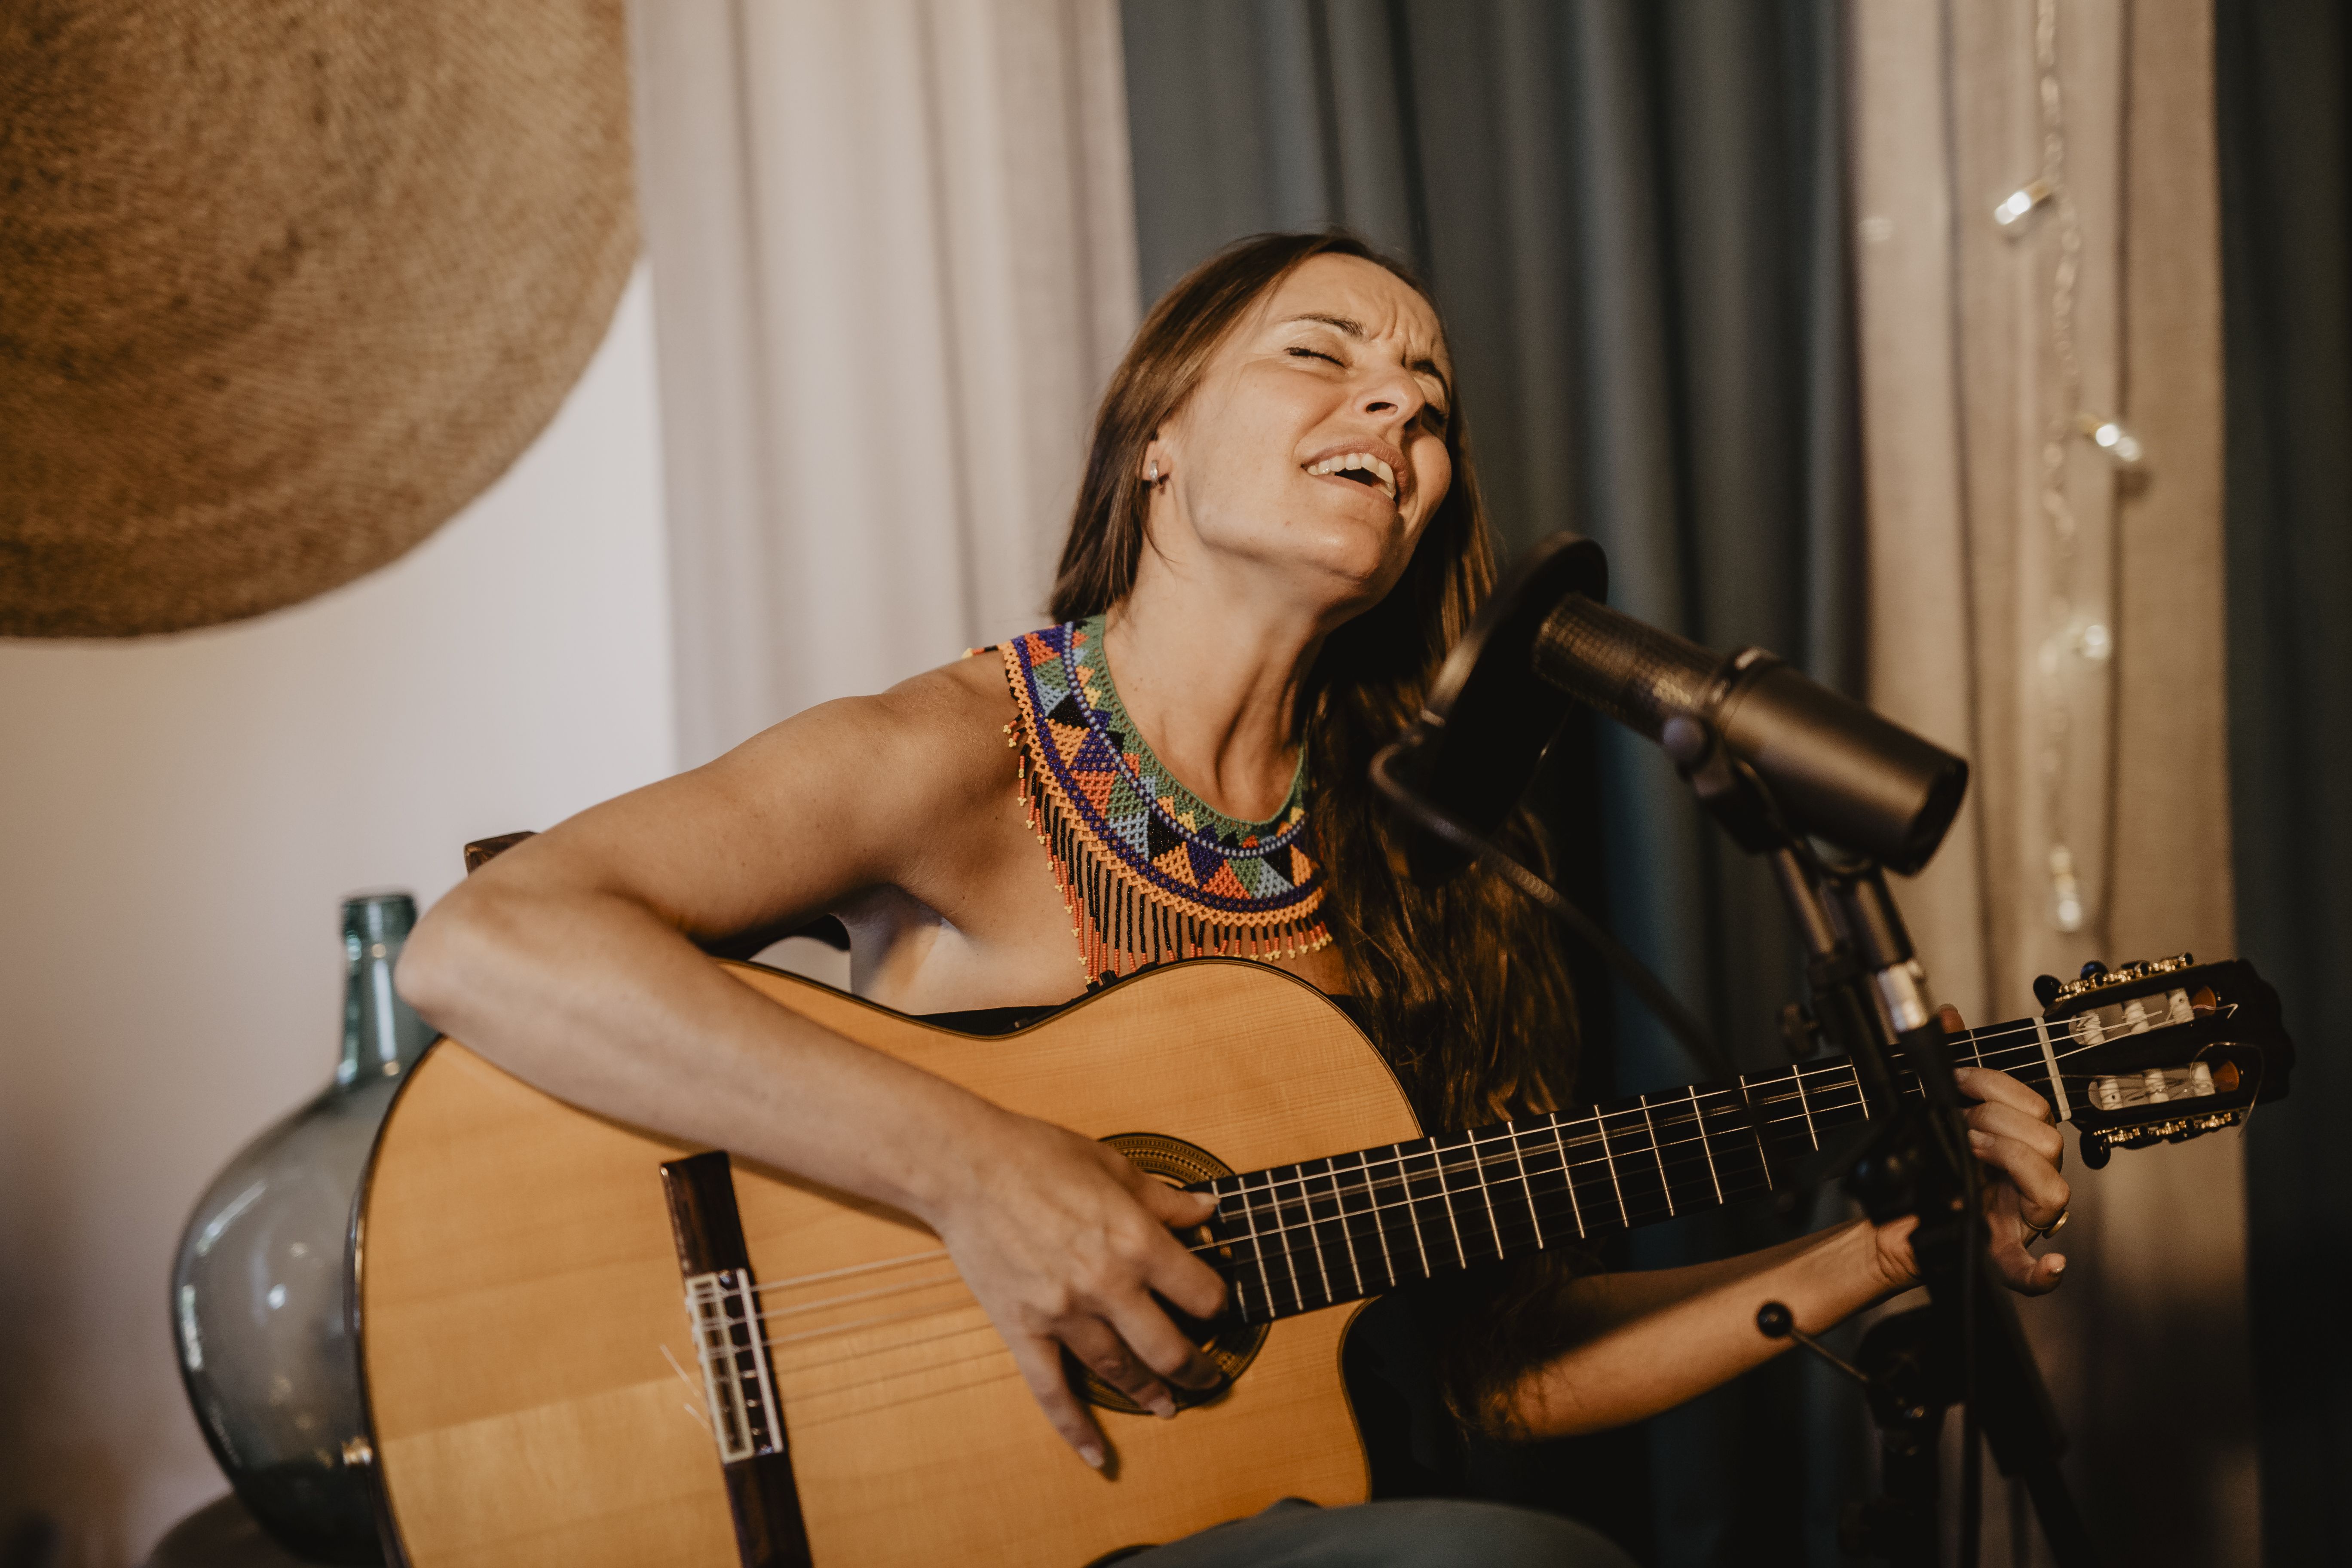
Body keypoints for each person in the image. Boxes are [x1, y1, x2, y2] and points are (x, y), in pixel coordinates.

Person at [394, 231, 2070, 1565]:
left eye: (1428, 402)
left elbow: (1497, 1363)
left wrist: (1880, 1253)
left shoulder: (1435, 870)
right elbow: (492, 940)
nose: (1396, 412)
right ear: (1159, 443)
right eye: (1321, 354)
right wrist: (981, 1173)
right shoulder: (955, 752)